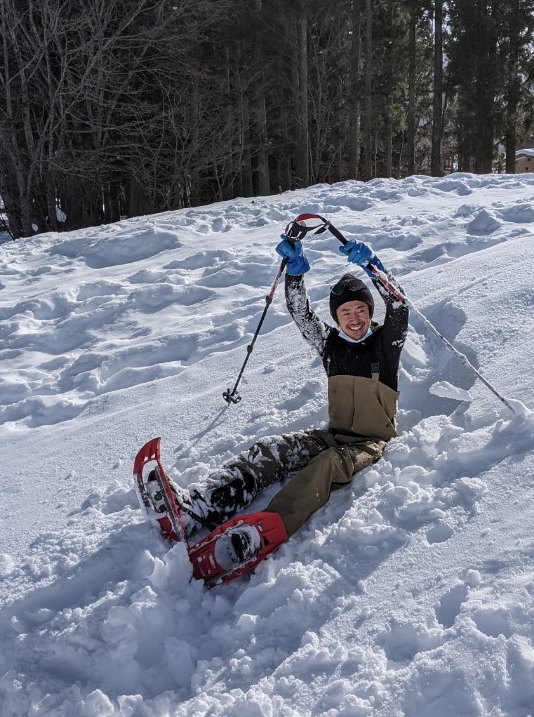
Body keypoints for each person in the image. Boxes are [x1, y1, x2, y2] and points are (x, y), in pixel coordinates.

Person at [171, 235, 409, 569]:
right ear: (337, 317)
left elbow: (399, 305)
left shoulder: (386, 344)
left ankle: (265, 529)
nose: (354, 319)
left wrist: (373, 266)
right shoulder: (331, 347)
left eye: (361, 311)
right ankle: (204, 505)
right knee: (272, 447)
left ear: (370, 312)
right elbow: (301, 313)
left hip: (371, 443)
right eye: (345, 312)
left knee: (327, 464)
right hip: (335, 434)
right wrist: (295, 274)